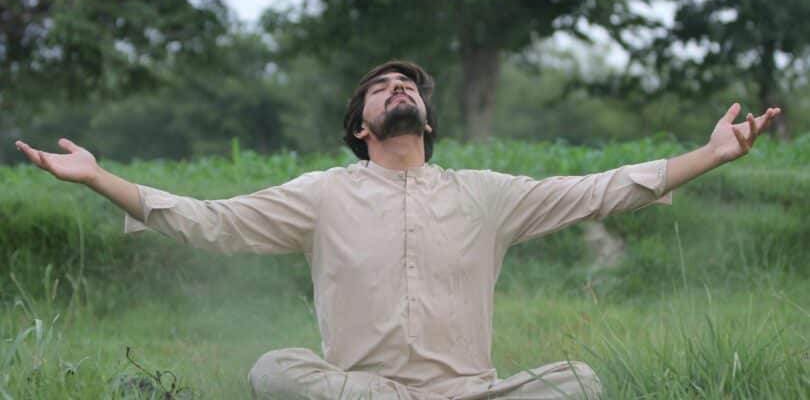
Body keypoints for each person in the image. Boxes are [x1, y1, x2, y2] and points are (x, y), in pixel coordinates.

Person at [15, 60, 781, 400]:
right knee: (273, 370)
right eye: (382, 88)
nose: (398, 89)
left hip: (473, 390)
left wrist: (709, 156)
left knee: (579, 382)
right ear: (361, 125)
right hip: (365, 391)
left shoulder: (485, 195)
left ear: (428, 117)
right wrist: (99, 177)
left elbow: (600, 188)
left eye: (407, 84)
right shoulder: (321, 195)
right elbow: (209, 221)